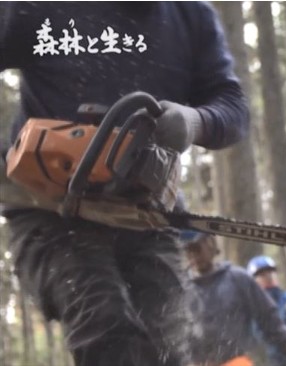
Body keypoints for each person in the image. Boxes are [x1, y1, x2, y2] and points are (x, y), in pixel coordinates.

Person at [0, 2, 249, 365]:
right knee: (106, 323)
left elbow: (232, 105)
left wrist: (197, 121)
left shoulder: (190, 16)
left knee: (171, 342)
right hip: (49, 212)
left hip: (145, 213)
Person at [180, 231, 286, 366]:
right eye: (188, 251)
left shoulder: (237, 278)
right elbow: (175, 333)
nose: (194, 255)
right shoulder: (181, 289)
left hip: (237, 360)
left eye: (197, 249)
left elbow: (267, 316)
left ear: (210, 244)